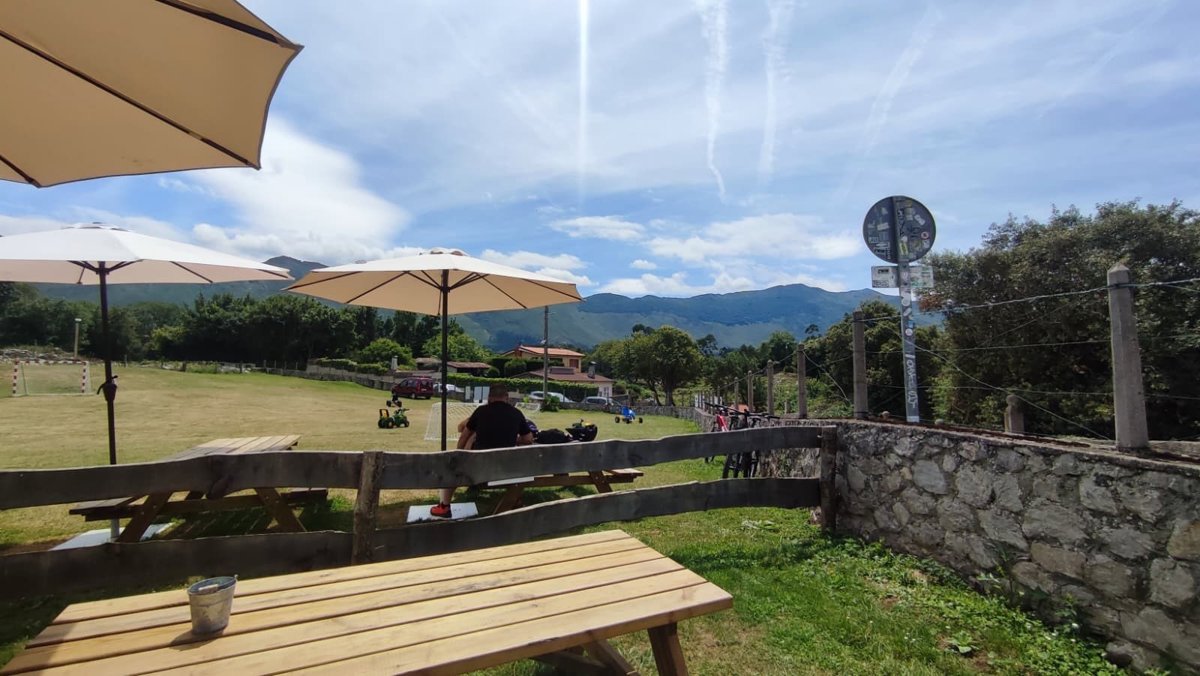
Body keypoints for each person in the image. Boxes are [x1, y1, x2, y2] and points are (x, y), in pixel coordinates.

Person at [431, 384, 531, 518]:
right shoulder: (516, 413)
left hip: (480, 467)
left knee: (452, 469)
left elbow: (464, 435)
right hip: (507, 469)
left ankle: (444, 506)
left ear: (489, 397)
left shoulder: (481, 411)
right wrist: (514, 439)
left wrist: (459, 454)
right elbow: (528, 439)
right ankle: (515, 499)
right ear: (507, 397)